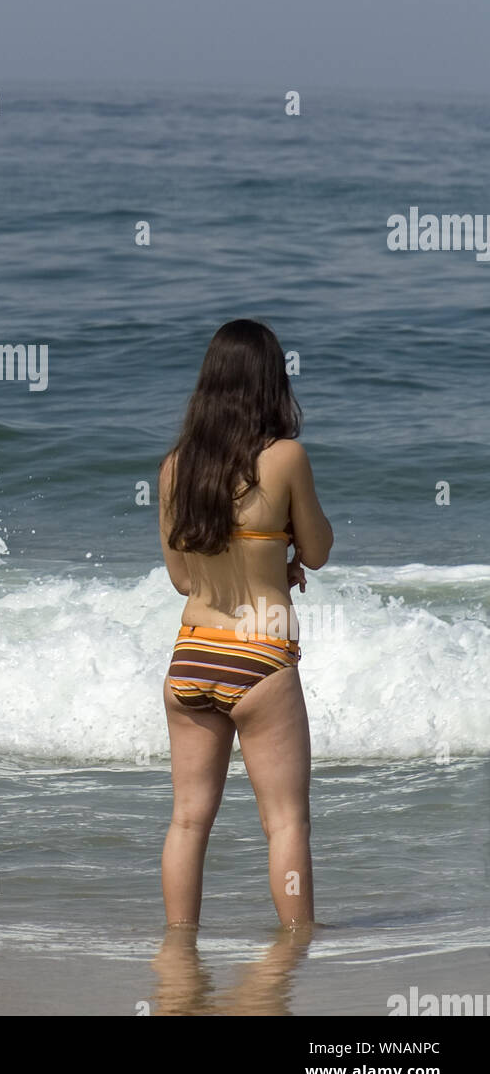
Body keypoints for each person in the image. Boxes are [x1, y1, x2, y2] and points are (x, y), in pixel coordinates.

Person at [158, 320, 332, 928]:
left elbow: (183, 579)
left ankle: (179, 951)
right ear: (270, 383)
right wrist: (279, 558)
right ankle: (294, 948)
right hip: (258, 658)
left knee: (187, 819)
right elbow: (316, 549)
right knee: (285, 822)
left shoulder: (176, 467)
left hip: (192, 654)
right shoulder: (285, 457)